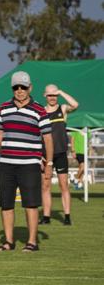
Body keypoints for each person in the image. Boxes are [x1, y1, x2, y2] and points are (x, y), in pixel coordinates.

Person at [0, 71, 53, 252]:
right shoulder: (3, 108)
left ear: (30, 88)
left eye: (23, 87)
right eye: (16, 87)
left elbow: (48, 139)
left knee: (31, 204)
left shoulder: (39, 110)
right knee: (6, 204)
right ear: (12, 88)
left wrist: (49, 164)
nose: (20, 90)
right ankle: (8, 242)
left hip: (30, 164)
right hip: (6, 164)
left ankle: (32, 242)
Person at [40, 84, 78, 225]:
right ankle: (46, 217)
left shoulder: (62, 109)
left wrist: (61, 92)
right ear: (45, 96)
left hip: (61, 154)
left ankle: (67, 217)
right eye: (50, 95)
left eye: (55, 95)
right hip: (45, 156)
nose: (53, 98)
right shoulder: (41, 112)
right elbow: (38, 135)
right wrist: (39, 155)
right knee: (45, 186)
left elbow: (75, 104)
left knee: (64, 186)